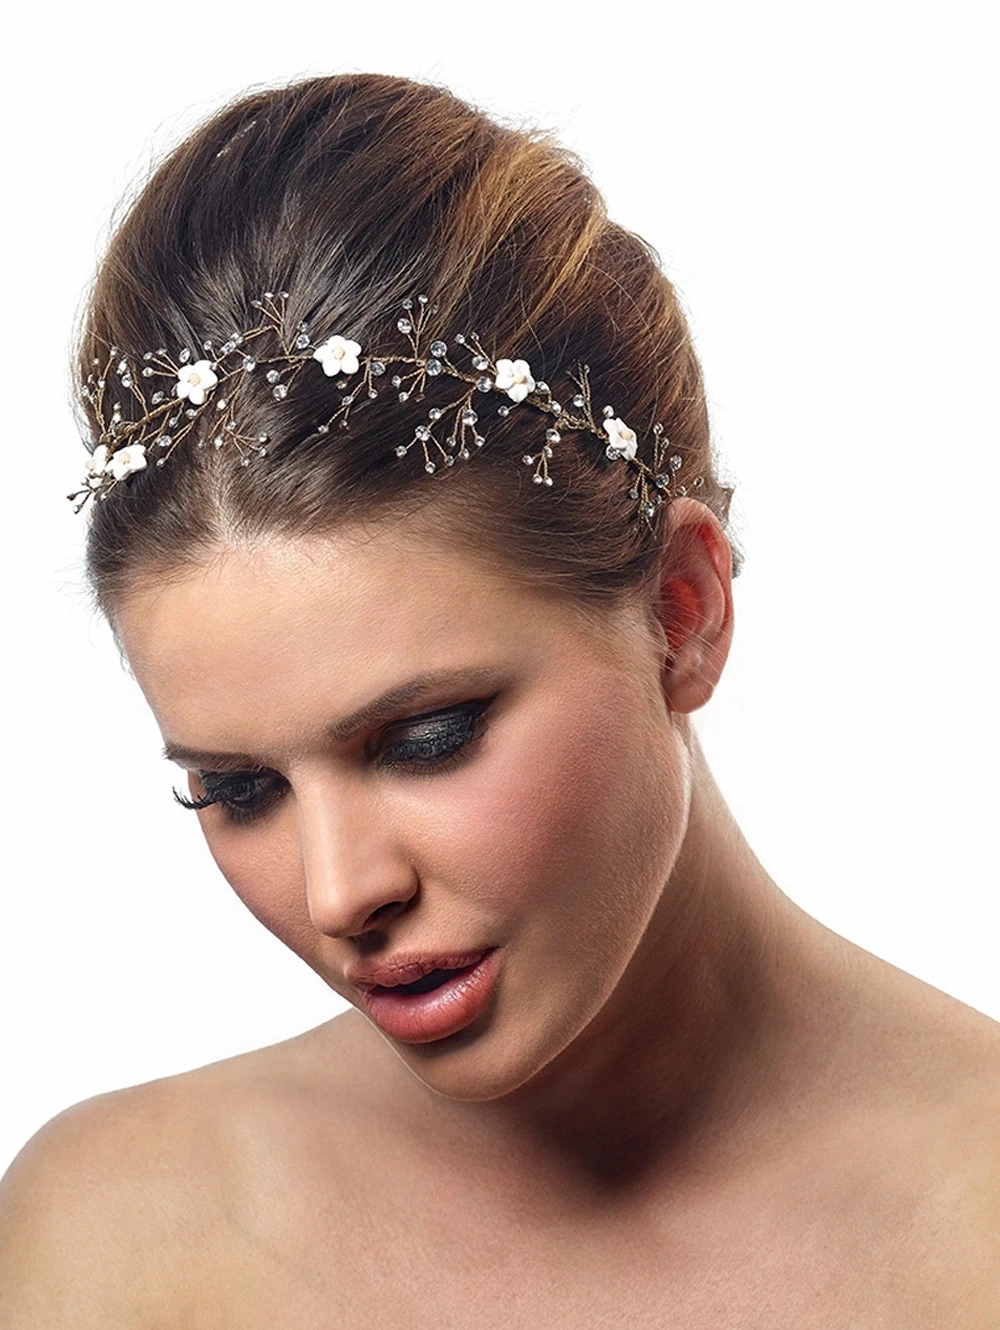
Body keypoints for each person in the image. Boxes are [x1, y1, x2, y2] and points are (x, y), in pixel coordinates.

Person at [1, 71, 998, 1326]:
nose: (339, 892)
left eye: (426, 738)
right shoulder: (112, 1237)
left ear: (681, 612)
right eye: (238, 789)